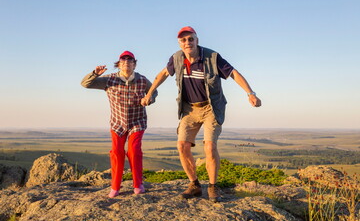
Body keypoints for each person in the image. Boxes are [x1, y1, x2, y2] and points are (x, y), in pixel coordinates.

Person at [141, 26, 261, 202]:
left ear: (197, 40)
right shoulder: (176, 58)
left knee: (209, 146)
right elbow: (163, 74)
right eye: (183, 40)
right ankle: (195, 185)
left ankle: (212, 187)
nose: (187, 42)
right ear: (179, 43)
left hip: (211, 107)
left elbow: (234, 73)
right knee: (182, 146)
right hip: (189, 108)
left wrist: (250, 93)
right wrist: (150, 93)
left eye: (191, 39)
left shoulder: (212, 57)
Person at [81, 51, 157, 198]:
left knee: (134, 151)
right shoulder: (109, 80)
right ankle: (115, 187)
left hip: (137, 121)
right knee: (116, 152)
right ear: (119, 64)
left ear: (134, 64)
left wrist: (149, 98)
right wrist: (95, 73)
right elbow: (85, 84)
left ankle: (138, 184)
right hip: (117, 122)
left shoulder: (142, 80)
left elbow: (154, 91)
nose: (126, 62)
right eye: (123, 60)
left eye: (130, 60)